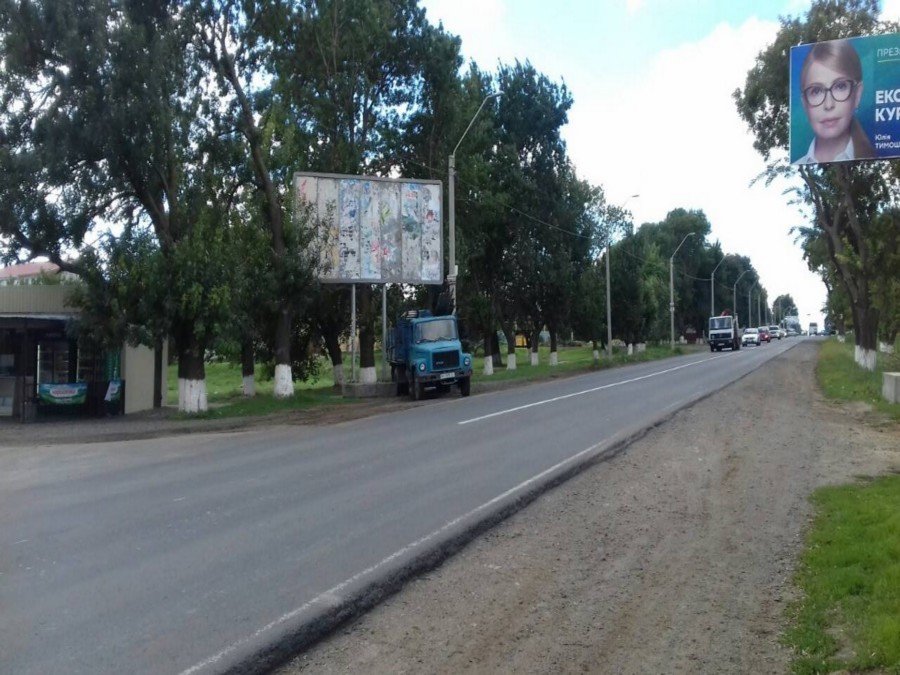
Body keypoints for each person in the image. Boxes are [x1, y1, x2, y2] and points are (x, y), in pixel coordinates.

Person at [795, 39, 876, 164]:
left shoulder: (872, 160)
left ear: (858, 94)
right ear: (804, 103)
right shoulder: (797, 165)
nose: (828, 104)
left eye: (840, 86)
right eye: (816, 91)